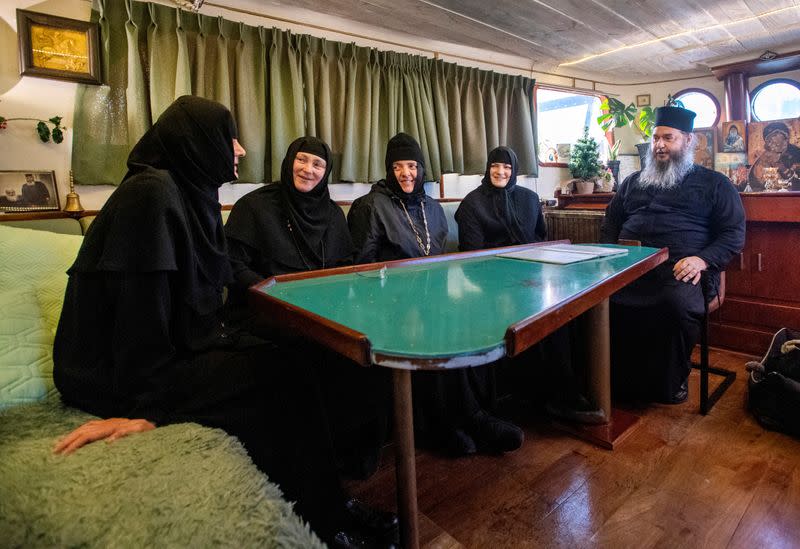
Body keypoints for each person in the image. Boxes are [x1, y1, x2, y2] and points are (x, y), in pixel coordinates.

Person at [51, 96, 396, 548]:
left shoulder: (189, 195)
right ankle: (327, 523)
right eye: (227, 138)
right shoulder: (150, 194)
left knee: (301, 357)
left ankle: (331, 504)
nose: (240, 150)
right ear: (196, 142)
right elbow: (138, 317)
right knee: (283, 377)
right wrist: (148, 410)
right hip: (118, 371)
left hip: (177, 347)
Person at [348, 133, 524, 456]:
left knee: (465, 320)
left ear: (421, 168)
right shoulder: (371, 206)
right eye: (398, 167)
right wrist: (402, 303)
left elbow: (439, 261)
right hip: (390, 305)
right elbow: (362, 272)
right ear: (389, 169)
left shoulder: (432, 207)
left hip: (430, 300)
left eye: (412, 166)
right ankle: (447, 424)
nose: (406, 174)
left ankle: (473, 416)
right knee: (429, 330)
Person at [224, 136, 389, 479]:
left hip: (322, 313)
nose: (309, 170)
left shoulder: (330, 213)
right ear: (288, 162)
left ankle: (354, 450)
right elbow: (233, 268)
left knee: (367, 345)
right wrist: (272, 295)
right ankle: (317, 462)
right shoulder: (254, 207)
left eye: (318, 165)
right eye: (302, 161)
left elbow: (343, 268)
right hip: (264, 312)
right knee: (312, 353)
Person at [601, 105, 745, 404]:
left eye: (668, 138)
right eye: (655, 139)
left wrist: (702, 260)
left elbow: (733, 234)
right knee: (595, 300)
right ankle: (615, 380)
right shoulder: (632, 182)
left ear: (688, 141)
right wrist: (608, 259)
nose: (660, 145)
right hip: (630, 269)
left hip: (682, 271)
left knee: (673, 304)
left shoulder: (715, 184)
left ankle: (667, 383)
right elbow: (610, 224)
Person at [455, 146, 602, 424]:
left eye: (507, 168)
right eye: (495, 166)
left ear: (514, 171)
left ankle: (571, 390)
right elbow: (472, 257)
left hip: (533, 276)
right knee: (542, 314)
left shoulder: (529, 198)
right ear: (488, 169)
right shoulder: (472, 204)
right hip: (492, 281)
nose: (501, 172)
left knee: (569, 308)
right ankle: (557, 398)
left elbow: (540, 240)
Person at [748, 121, 800, 191]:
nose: (772, 144)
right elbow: (754, 180)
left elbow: (796, 182)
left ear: (786, 139)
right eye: (769, 141)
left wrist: (783, 169)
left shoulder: (796, 153)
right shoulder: (766, 156)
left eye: (775, 136)